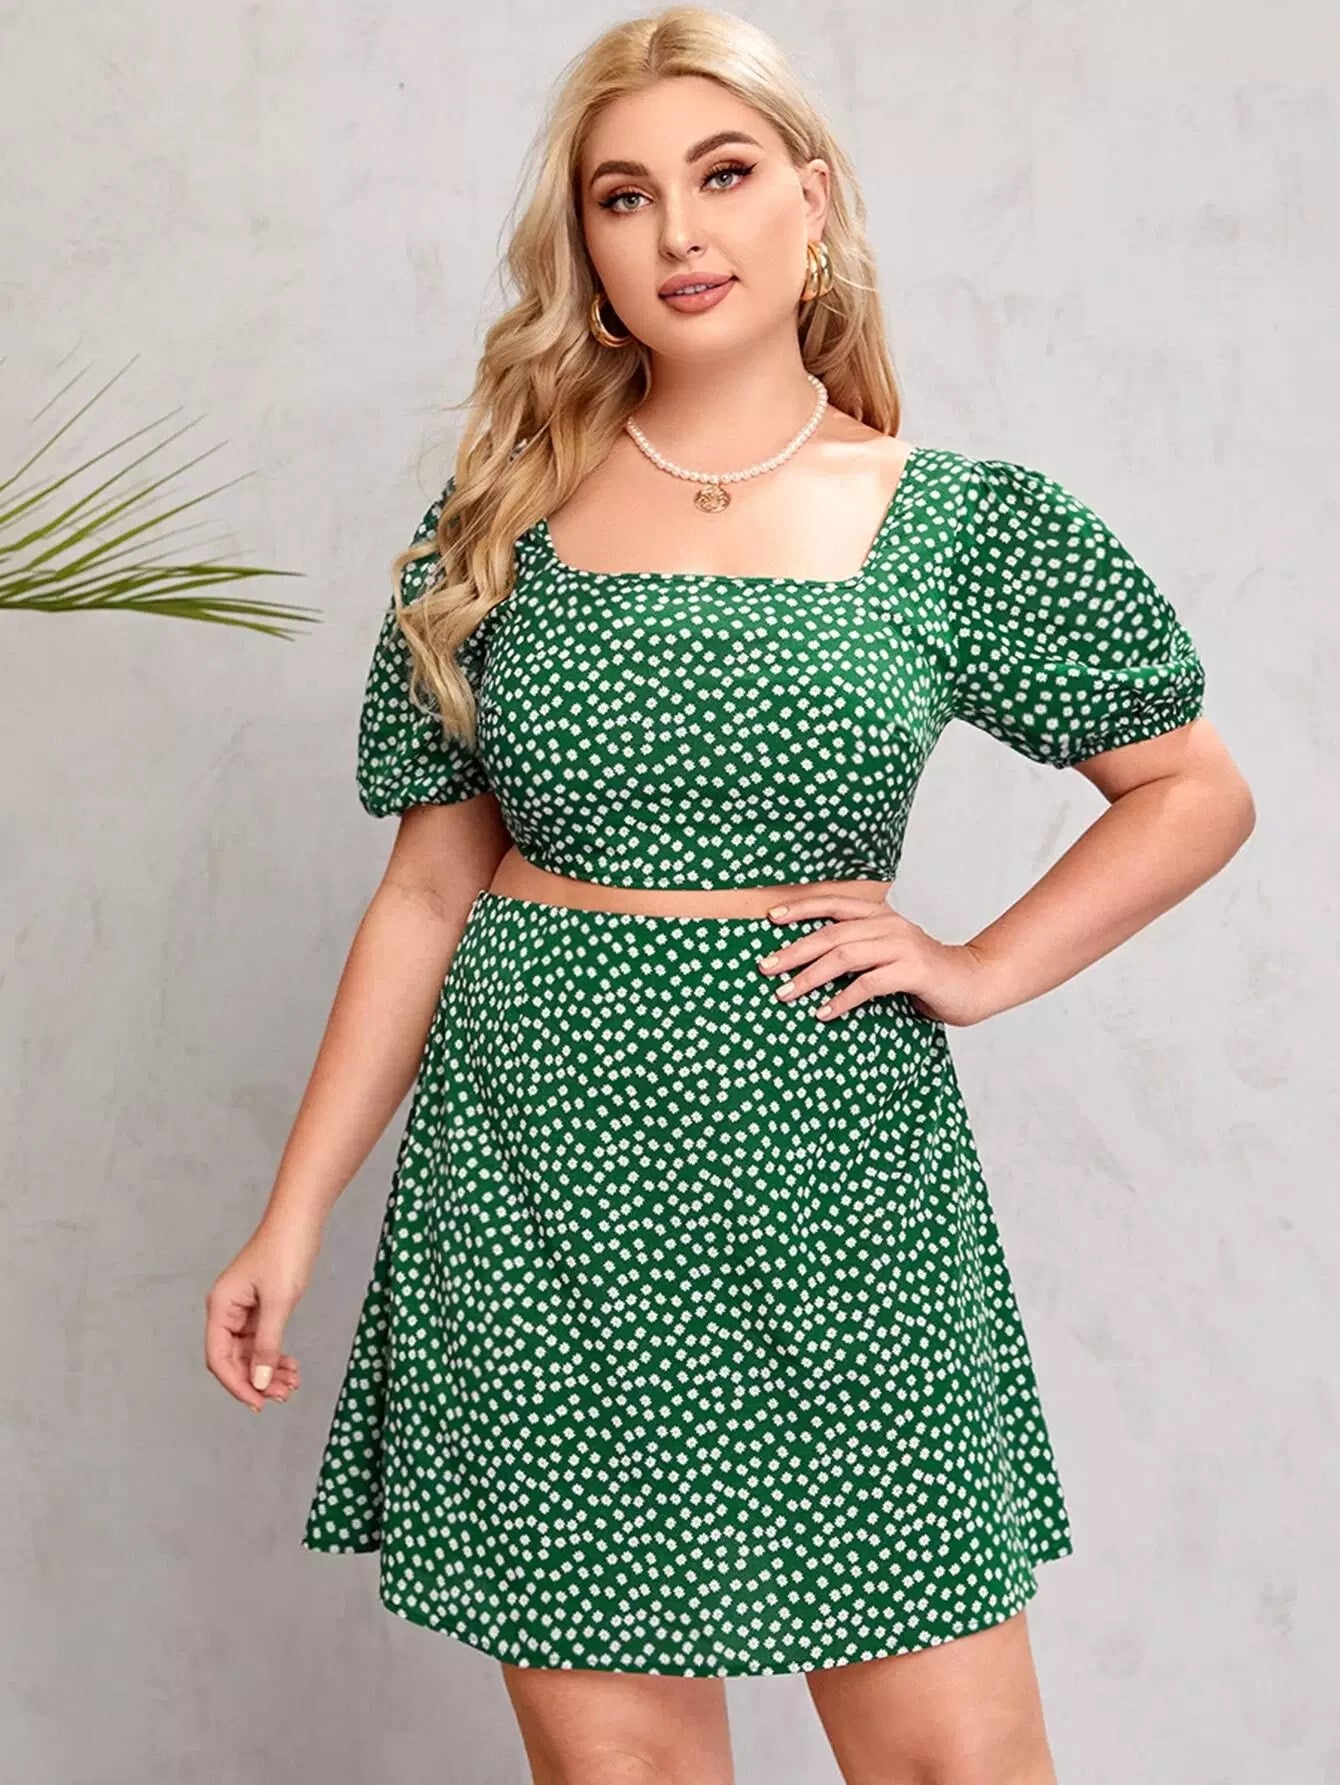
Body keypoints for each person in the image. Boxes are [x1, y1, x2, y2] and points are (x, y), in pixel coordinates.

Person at [204, 8, 1254, 1781]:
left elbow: (1194, 788)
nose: (680, 230)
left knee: (953, 1764)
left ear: (811, 202)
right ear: (587, 248)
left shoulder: (956, 522)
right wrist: (292, 1216)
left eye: (724, 173)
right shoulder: (492, 532)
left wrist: (980, 963)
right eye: (625, 196)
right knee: (625, 1773)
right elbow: (430, 894)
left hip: (839, 1183)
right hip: (537, 1183)